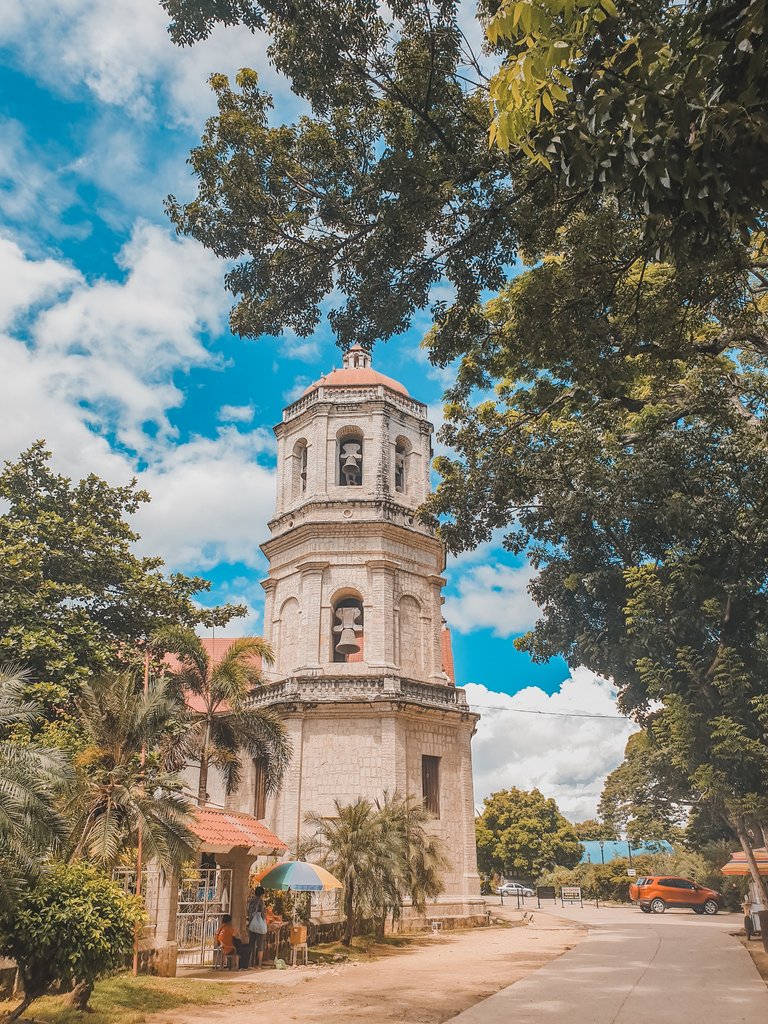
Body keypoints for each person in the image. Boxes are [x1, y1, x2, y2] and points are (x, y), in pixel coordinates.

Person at [248, 885, 268, 968]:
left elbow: (249, 912)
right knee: (260, 945)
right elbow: (263, 914)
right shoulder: (260, 902)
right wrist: (265, 921)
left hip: (252, 924)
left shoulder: (251, 901)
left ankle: (249, 962)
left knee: (251, 944)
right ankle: (259, 963)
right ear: (261, 894)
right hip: (259, 925)